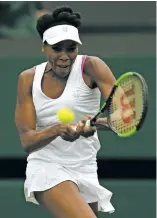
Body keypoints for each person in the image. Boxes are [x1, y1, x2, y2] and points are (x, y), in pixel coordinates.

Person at [15, 5, 116, 218]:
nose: (64, 55)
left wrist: (95, 125)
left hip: (86, 165)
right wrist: (57, 130)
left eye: (71, 48)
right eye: (56, 48)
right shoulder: (28, 79)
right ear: (43, 47)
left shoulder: (92, 66)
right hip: (47, 166)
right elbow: (27, 141)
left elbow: (127, 118)